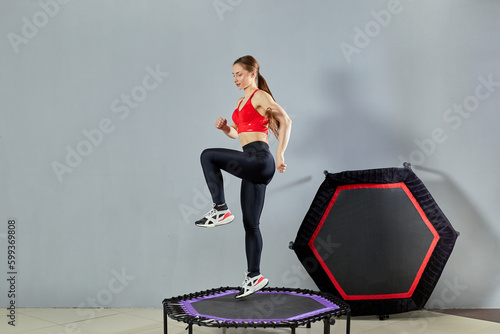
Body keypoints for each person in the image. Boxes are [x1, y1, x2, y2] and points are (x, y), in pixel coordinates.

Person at [195, 55, 292, 299]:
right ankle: (254, 276)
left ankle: (220, 208)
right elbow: (239, 133)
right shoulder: (240, 102)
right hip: (251, 163)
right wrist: (226, 128)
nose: (236, 79)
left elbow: (286, 120)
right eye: (233, 75)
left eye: (239, 74)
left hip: (260, 159)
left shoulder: (259, 96)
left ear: (252, 73)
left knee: (208, 156)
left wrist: (280, 155)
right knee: (251, 224)